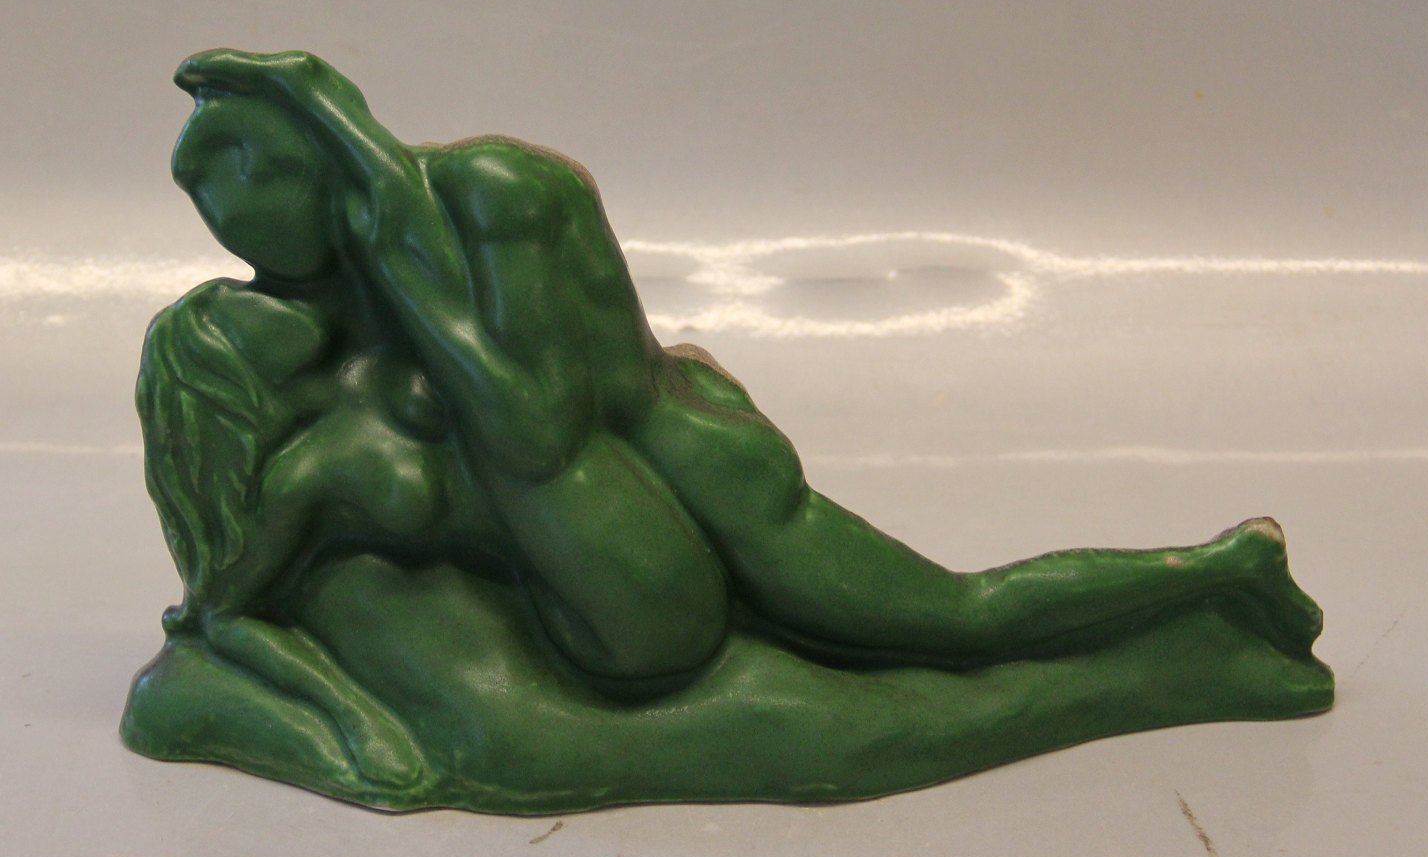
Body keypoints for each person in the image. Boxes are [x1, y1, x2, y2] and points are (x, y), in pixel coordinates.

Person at [133, 49, 1327, 798]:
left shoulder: (492, 193)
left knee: (951, 617)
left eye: (230, 202)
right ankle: (1217, 625)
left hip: (700, 467)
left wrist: (402, 264)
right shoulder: (355, 296)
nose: (235, 247)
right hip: (629, 500)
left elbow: (538, 421)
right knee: (922, 645)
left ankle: (1219, 572)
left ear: (299, 170)